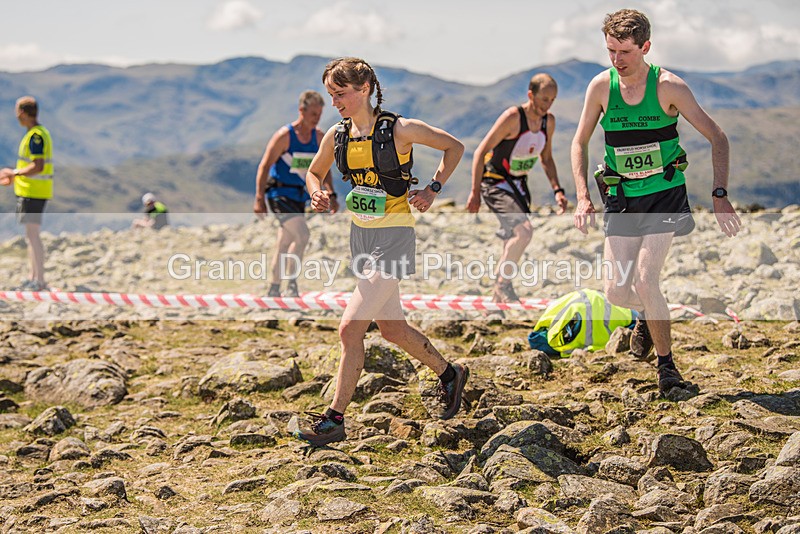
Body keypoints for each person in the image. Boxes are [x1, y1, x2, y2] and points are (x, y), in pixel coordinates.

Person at [296, 57, 468, 446]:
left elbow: (454, 147)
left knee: (349, 328)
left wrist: (432, 189)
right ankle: (450, 374)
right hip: (361, 237)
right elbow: (313, 172)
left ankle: (334, 420)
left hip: (394, 237)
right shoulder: (337, 135)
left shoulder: (400, 129)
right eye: (330, 95)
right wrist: (316, 192)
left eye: (340, 94)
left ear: (365, 89)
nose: (335, 102)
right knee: (391, 329)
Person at [571, 9, 741, 395]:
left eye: (625, 52)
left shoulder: (669, 87)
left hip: (663, 194)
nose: (617, 59)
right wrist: (582, 196)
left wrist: (719, 194)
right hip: (620, 196)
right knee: (616, 292)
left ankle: (667, 368)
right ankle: (647, 317)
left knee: (647, 280)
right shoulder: (601, 87)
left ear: (645, 47)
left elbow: (718, 137)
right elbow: (579, 142)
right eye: (611, 51)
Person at [467, 73, 569, 303]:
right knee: (524, 231)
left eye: (552, 100)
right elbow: (480, 152)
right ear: (530, 95)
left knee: (512, 238)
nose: (548, 105)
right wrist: (474, 193)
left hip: (519, 185)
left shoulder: (548, 122)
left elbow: (546, 158)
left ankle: (499, 297)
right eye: (544, 99)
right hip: (495, 182)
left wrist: (558, 190)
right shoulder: (513, 117)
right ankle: (502, 284)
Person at [253, 90, 338, 298]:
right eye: (313, 114)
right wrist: (259, 199)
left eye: (319, 114)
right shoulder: (284, 136)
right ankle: (291, 283)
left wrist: (331, 193)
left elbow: (324, 168)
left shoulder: (319, 137)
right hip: (279, 194)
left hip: (300, 196)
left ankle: (274, 288)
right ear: (302, 110)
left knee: (284, 242)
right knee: (302, 235)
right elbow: (265, 166)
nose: (316, 118)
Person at [0, 96, 53, 291]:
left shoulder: (35, 136)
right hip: (32, 190)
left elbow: (38, 166)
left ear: (22, 113)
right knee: (31, 235)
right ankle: (33, 277)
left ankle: (39, 280)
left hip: (34, 191)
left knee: (33, 235)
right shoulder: (38, 133)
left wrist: (14, 173)